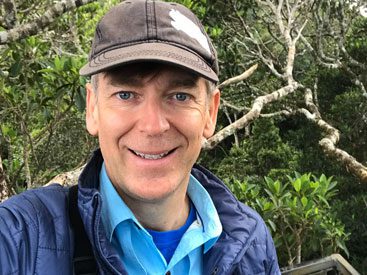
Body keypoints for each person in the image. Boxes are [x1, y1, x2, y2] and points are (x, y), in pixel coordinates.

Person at [0, 0, 281, 274]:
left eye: (179, 96)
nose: (153, 125)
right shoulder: (19, 237)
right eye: (126, 95)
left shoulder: (250, 242)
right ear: (93, 108)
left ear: (210, 112)